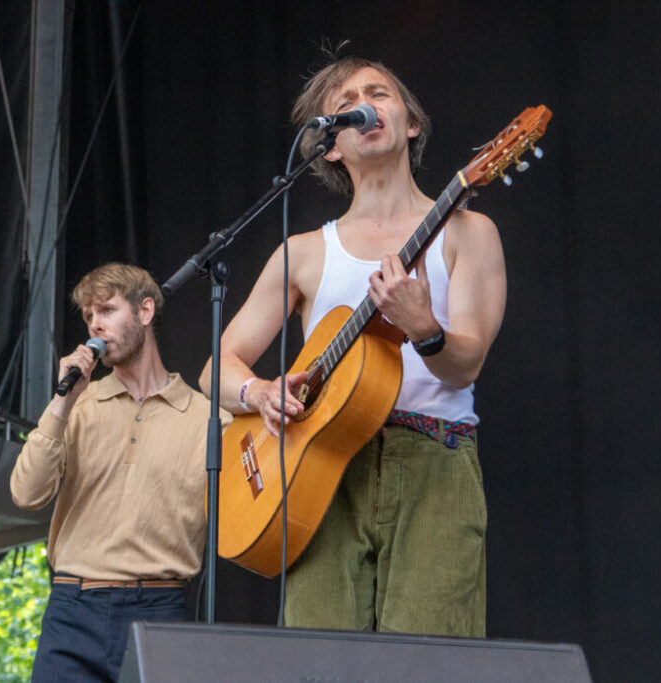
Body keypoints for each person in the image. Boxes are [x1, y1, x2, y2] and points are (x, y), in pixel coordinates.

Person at [199, 56, 506, 638]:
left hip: (433, 459)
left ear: (411, 123)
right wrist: (259, 392)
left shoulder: (469, 233)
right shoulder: (303, 252)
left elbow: (465, 366)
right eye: (346, 103)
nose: (365, 104)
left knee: (429, 664)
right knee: (321, 664)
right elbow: (218, 368)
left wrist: (424, 328)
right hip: (318, 467)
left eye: (379, 93)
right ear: (331, 147)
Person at [12, 263, 227, 682]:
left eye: (107, 310)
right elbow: (26, 494)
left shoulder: (209, 419)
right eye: (89, 316)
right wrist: (62, 402)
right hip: (73, 607)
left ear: (145, 312)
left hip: (160, 608)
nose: (95, 324)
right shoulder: (78, 405)